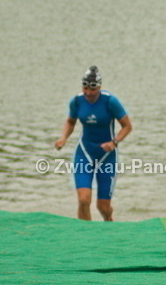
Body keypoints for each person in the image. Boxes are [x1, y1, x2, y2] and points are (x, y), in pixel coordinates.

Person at [54, 66, 131, 221]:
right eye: (85, 88)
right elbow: (70, 121)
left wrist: (114, 142)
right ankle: (86, 237)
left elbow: (127, 126)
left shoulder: (110, 101)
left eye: (93, 89)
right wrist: (64, 138)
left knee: (103, 207)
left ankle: (109, 223)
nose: (88, 93)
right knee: (83, 200)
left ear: (99, 87)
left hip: (107, 156)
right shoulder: (76, 102)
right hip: (84, 153)